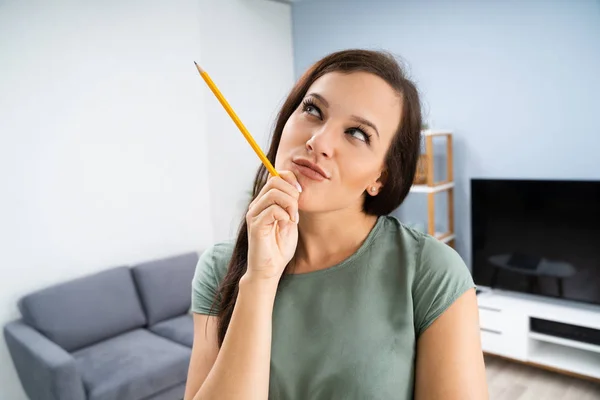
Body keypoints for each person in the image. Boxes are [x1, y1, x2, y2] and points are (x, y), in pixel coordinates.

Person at [183, 49, 488, 400]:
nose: (319, 142)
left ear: (381, 176)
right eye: (313, 110)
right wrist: (260, 281)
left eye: (357, 133)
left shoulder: (432, 272)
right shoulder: (219, 268)